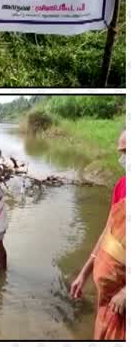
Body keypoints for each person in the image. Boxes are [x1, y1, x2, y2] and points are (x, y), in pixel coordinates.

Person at [70, 130, 125, 340]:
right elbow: (108, 231)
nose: (123, 158)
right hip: (108, 296)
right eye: (121, 152)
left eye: (127, 152)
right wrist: (84, 273)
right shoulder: (122, 185)